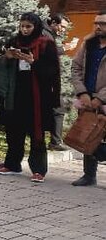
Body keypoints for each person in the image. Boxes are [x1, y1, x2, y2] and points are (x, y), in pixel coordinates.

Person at [0, 13, 60, 183]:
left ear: (36, 27)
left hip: (37, 96)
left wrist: (33, 62)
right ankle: (13, 164)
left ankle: (38, 170)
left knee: (36, 133)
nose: (24, 30)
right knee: (13, 130)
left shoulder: (46, 44)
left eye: (28, 26)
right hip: (15, 93)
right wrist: (7, 57)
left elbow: (52, 72)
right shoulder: (14, 42)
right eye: (22, 26)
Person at [69, 10, 106, 186]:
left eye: (103, 24)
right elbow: (75, 67)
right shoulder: (88, 43)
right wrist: (82, 93)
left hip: (103, 100)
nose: (99, 26)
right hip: (86, 99)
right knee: (87, 135)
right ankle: (89, 175)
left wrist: (100, 98)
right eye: (96, 23)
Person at [43, 13, 75, 151]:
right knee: (58, 107)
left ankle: (54, 141)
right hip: (45, 79)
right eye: (62, 26)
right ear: (54, 23)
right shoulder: (45, 33)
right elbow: (47, 53)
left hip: (48, 78)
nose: (63, 30)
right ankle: (55, 142)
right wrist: (65, 48)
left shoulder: (48, 33)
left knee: (55, 108)